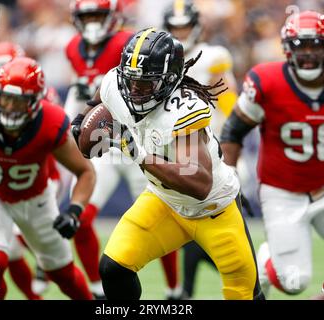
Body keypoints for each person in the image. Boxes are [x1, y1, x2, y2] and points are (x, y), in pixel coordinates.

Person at [74, 28, 265, 300]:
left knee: (243, 295)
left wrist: (139, 156)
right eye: (131, 81)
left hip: (213, 209)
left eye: (146, 84)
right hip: (163, 201)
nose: (135, 91)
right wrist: (81, 119)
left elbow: (198, 183)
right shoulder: (118, 82)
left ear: (170, 81)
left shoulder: (182, 111)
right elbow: (104, 93)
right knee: (114, 268)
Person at [65, 0, 181, 299]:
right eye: (86, 16)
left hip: (140, 143)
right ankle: (95, 291)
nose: (92, 22)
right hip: (107, 143)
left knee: (161, 217)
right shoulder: (72, 48)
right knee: (82, 218)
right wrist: (79, 120)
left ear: (113, 16)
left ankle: (174, 290)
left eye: (97, 15)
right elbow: (97, 90)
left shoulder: (127, 42)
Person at [0, 57, 95, 300]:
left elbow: (85, 171)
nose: (9, 106)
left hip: (36, 201)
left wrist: (75, 211)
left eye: (18, 101)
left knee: (63, 276)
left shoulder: (50, 122)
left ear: (35, 102)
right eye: (5, 97)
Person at [220, 11, 324, 297]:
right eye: (301, 45)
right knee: (293, 282)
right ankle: (267, 262)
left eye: (316, 44)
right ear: (287, 48)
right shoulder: (267, 81)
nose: (309, 54)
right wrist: (228, 183)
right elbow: (233, 131)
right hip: (283, 191)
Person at [163, 0, 239, 299]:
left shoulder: (213, 55)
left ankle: (251, 272)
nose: (180, 33)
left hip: (213, 147)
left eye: (184, 27)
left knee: (217, 225)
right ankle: (188, 291)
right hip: (177, 148)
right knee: (192, 222)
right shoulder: (162, 57)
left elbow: (229, 99)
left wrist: (234, 139)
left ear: (196, 27)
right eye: (175, 28)